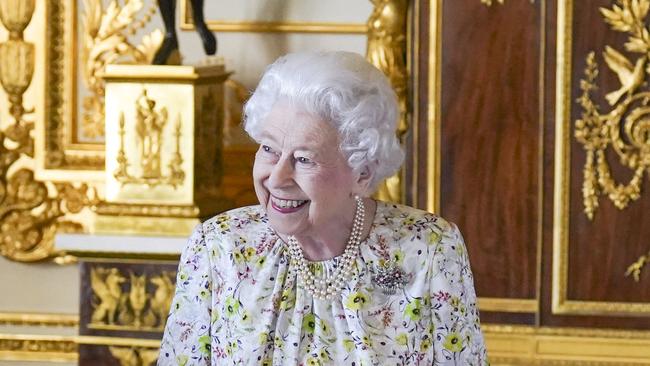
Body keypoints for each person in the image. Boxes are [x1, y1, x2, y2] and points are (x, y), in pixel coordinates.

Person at [158, 51, 488, 365]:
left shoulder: (429, 250)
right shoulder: (219, 247)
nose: (276, 177)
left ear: (362, 173)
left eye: (304, 159)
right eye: (269, 149)